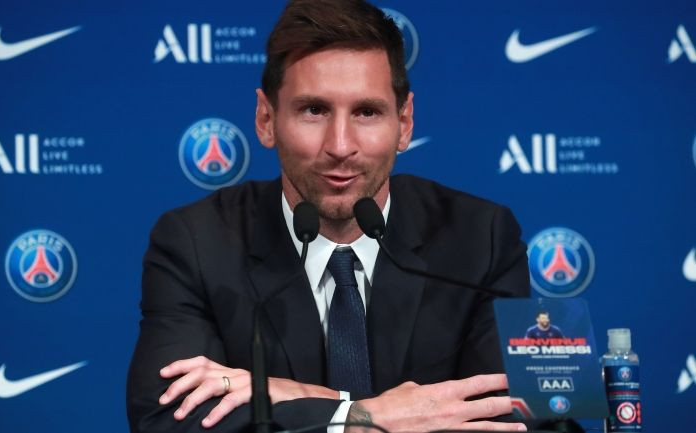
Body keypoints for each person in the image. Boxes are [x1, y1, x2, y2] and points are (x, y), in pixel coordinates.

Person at [127, 1, 530, 432]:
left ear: (405, 123)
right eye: (314, 110)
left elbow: (517, 417)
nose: (340, 145)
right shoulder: (196, 242)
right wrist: (363, 414)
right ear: (266, 120)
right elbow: (169, 418)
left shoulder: (480, 238)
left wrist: (295, 395)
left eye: (366, 112)